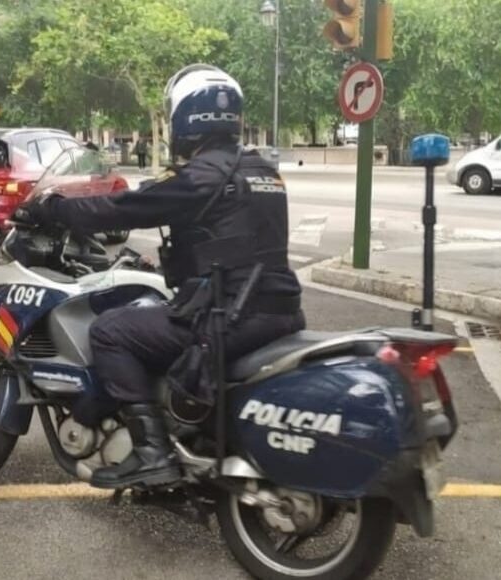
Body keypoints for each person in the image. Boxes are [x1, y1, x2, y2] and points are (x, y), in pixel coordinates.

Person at [17, 64, 304, 489]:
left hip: (228, 317)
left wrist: (54, 208)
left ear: (186, 117)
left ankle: (152, 453)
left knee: (112, 331)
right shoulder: (263, 171)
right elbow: (234, 243)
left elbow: (120, 210)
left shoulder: (201, 177)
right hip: (277, 309)